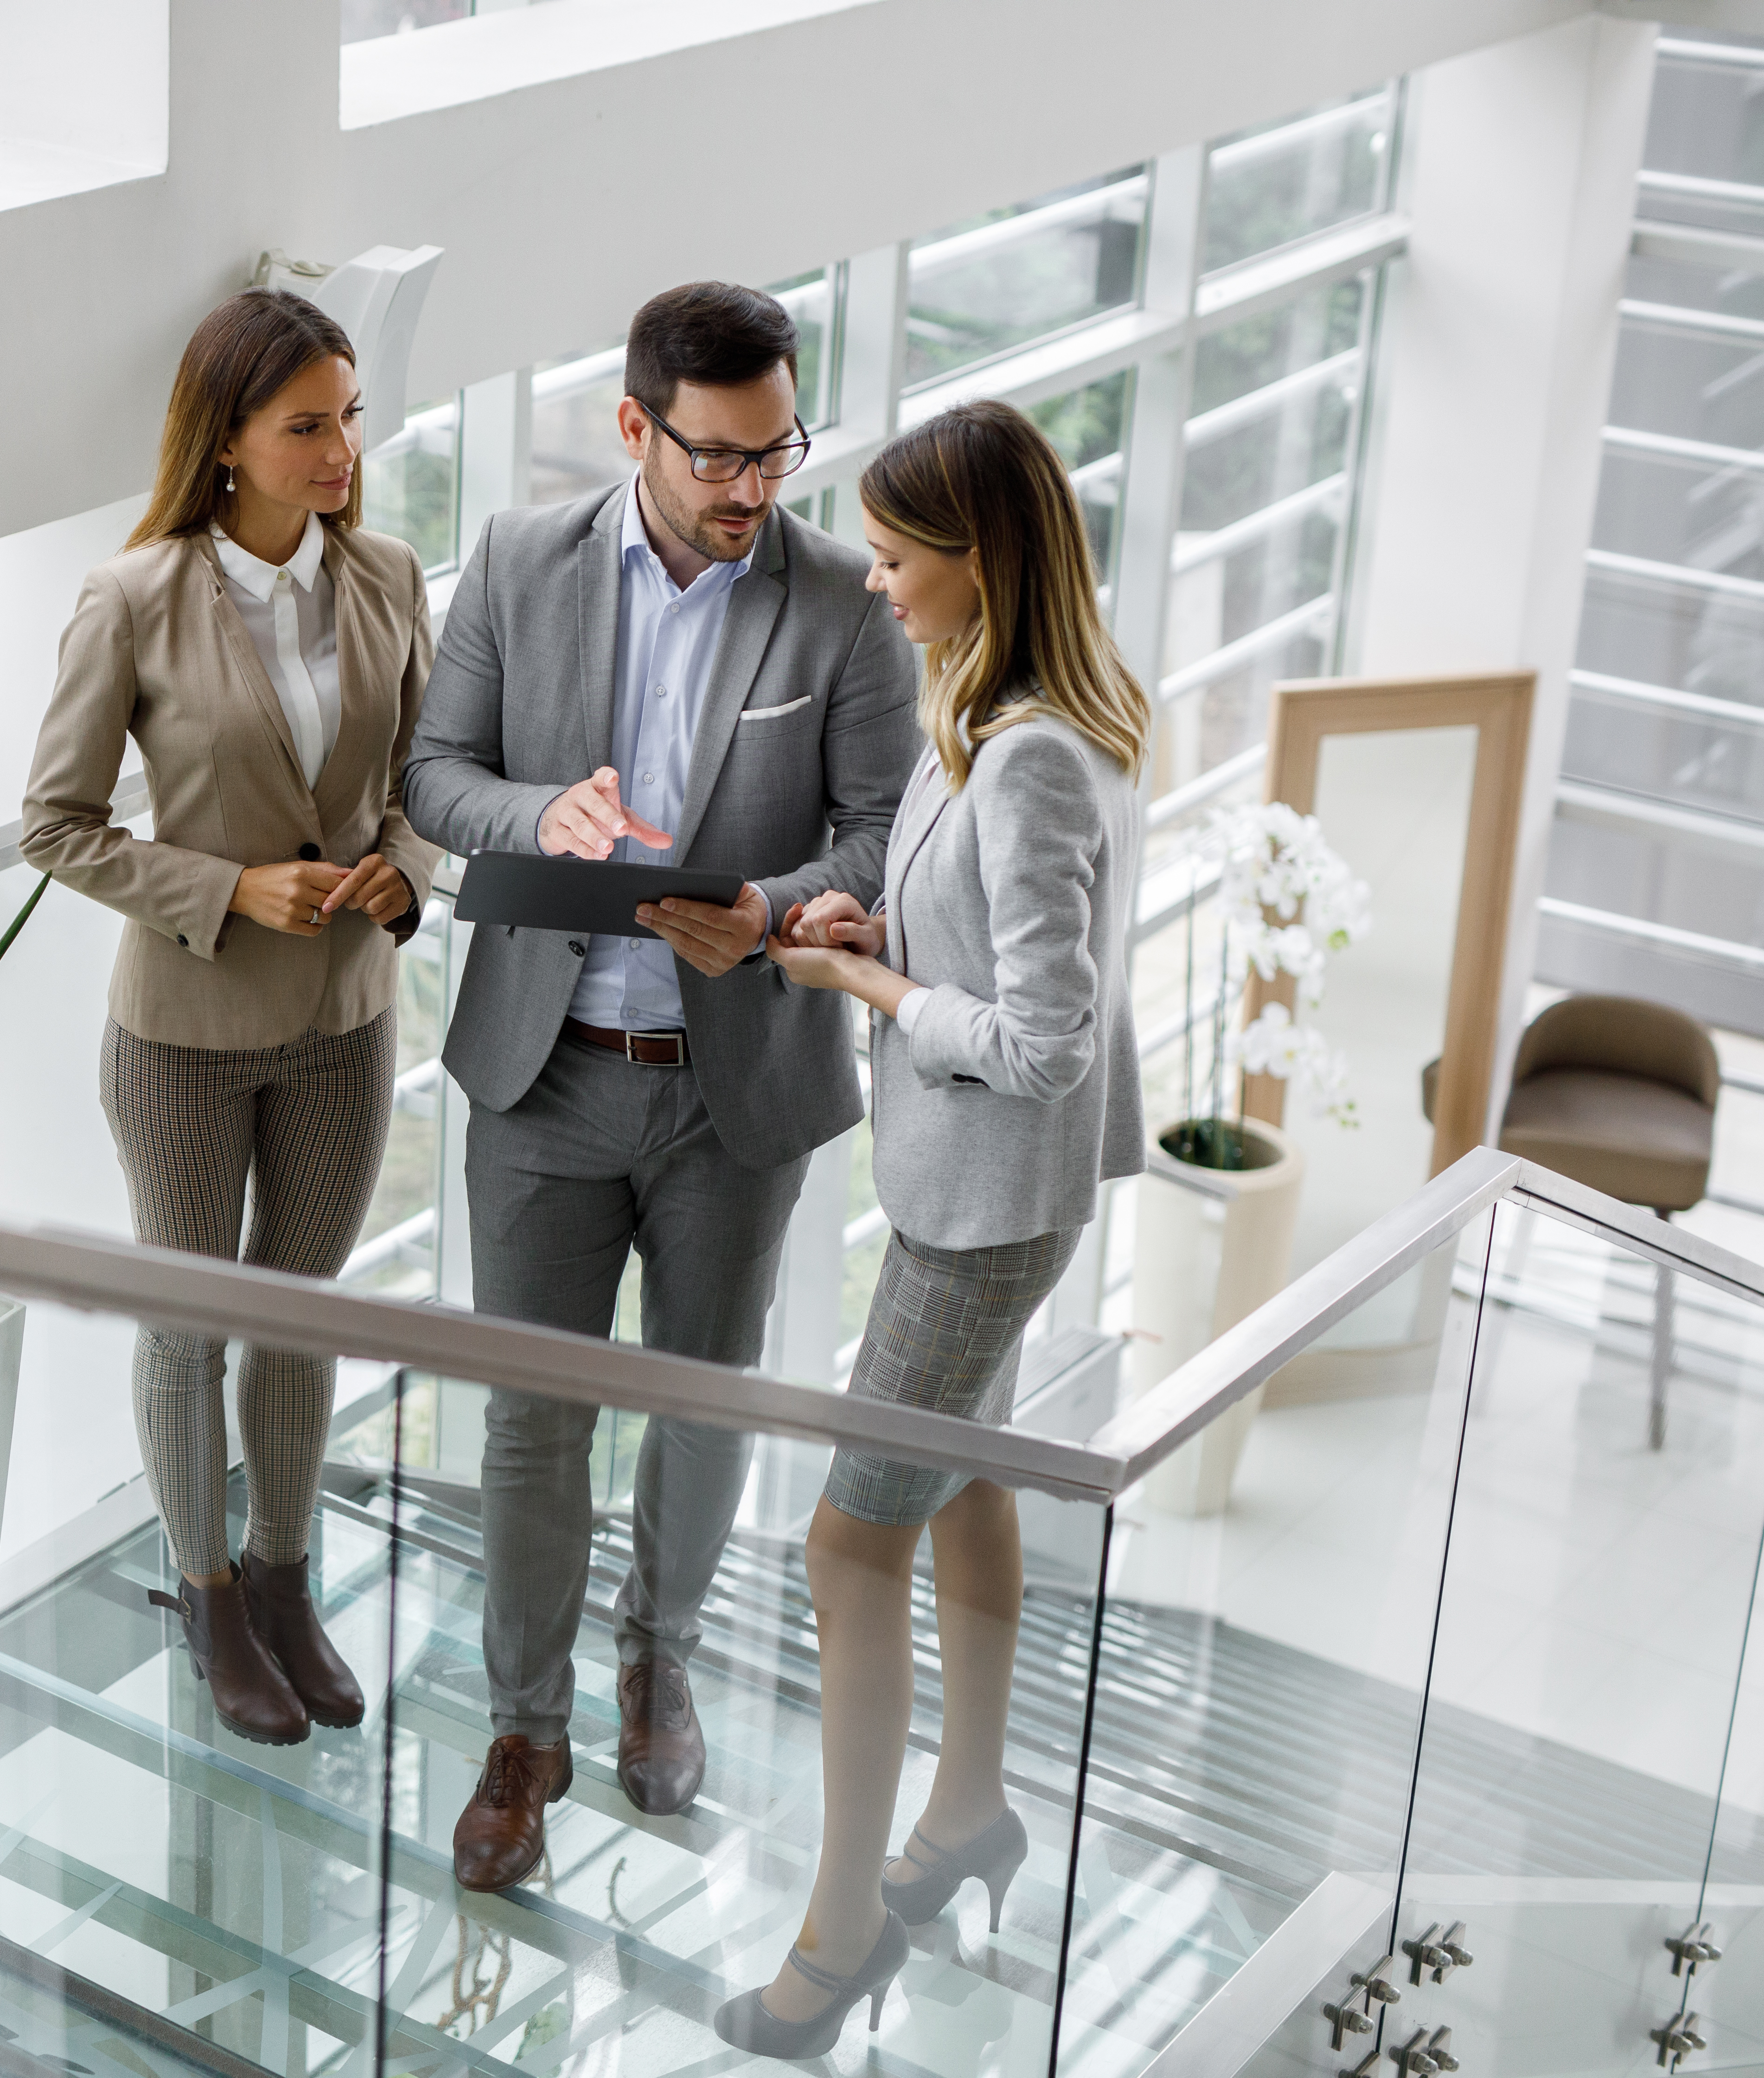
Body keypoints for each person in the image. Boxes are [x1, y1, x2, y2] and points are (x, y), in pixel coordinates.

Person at [401, 281, 920, 1889]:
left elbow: (881, 825)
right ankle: (522, 1729)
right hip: (543, 1073)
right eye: (721, 459)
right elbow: (433, 777)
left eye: (779, 456)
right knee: (532, 1423)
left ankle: (662, 1656)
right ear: (636, 428)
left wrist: (766, 911)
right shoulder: (514, 562)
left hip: (735, 1087)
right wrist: (540, 815)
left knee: (704, 1408)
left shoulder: (841, 604)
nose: (754, 491)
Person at [716, 398, 1148, 2055]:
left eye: (899, 559)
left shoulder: (1032, 749)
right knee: (966, 1470)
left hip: (977, 1213)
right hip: (990, 1200)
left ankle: (837, 1936)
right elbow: (982, 932)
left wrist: (876, 988)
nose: (877, 585)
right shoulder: (1016, 702)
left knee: (847, 1542)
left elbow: (1043, 1040)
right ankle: (966, 1809)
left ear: (984, 560)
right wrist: (865, 925)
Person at [21, 289, 441, 1746]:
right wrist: (228, 888)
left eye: (348, 419)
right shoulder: (132, 598)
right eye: (306, 426)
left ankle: (282, 1581)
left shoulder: (387, 575)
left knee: (300, 1319)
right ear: (228, 446)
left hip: (347, 1015)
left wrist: (409, 866)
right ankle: (205, 1596)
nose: (341, 451)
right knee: (196, 1325)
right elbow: (57, 827)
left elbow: (421, 785)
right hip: (188, 1035)